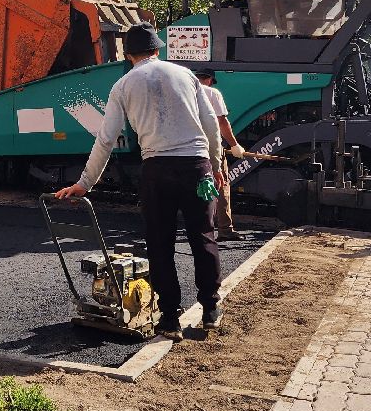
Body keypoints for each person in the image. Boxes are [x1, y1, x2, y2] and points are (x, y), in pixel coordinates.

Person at [55, 24, 224, 340]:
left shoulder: (123, 86)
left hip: (157, 169)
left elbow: (106, 139)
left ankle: (170, 319)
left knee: (160, 243)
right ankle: (210, 309)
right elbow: (210, 124)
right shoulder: (186, 76)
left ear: (127, 54)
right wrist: (214, 165)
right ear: (157, 49)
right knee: (203, 236)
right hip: (196, 166)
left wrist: (85, 183)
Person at [194, 69, 249, 240]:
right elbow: (222, 122)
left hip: (189, 147)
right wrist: (234, 145)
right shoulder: (212, 93)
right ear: (210, 80)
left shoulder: (183, 91)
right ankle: (225, 229)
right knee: (221, 184)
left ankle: (198, 228)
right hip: (211, 147)